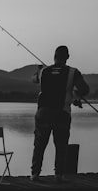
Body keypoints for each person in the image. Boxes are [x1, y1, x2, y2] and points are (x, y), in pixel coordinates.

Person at [31, 45, 90, 182]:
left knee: (39, 144)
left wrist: (39, 71)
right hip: (62, 113)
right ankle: (58, 175)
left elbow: (33, 79)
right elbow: (84, 89)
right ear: (67, 57)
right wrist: (76, 96)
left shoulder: (43, 71)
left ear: (54, 56)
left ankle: (35, 174)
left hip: (43, 112)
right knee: (61, 145)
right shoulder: (73, 72)